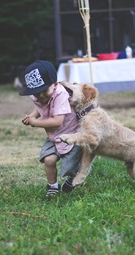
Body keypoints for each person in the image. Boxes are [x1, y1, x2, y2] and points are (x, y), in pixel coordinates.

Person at [19, 60, 82, 197]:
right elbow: (40, 106)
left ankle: (74, 177)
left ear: (55, 85)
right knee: (49, 160)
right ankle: (52, 186)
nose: (40, 97)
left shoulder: (60, 94)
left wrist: (35, 122)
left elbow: (57, 121)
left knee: (70, 167)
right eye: (36, 93)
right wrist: (31, 116)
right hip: (54, 136)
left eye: (43, 92)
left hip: (71, 134)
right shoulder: (38, 95)